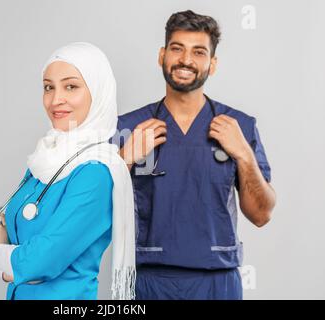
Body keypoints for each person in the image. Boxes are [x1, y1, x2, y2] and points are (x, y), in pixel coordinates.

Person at [113, 10, 276, 300]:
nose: (186, 60)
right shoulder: (128, 128)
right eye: (177, 49)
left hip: (218, 282)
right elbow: (94, 211)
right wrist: (122, 159)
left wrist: (244, 155)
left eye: (198, 52)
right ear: (162, 55)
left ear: (212, 64)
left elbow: (261, 214)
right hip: (149, 280)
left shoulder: (240, 127)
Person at [0, 42, 136, 300]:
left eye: (71, 86)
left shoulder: (96, 171)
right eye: (48, 87)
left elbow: (39, 263)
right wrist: (4, 253)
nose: (56, 100)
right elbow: (5, 228)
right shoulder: (46, 158)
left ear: (98, 93)